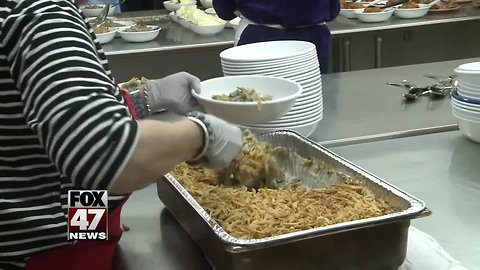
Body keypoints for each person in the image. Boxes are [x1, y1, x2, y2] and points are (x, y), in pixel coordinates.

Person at [0, 0, 242, 269]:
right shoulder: (44, 17)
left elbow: (44, 124)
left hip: (65, 217)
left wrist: (146, 98)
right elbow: (103, 154)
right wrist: (202, 135)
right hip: (50, 253)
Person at [212, 0, 340, 74]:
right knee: (311, 103)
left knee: (254, 105)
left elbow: (224, 10)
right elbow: (333, 8)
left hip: (257, 39)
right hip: (314, 38)